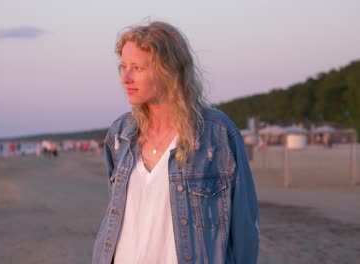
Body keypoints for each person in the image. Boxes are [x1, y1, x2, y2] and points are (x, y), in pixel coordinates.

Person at [92, 21, 259, 264]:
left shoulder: (217, 135)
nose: (125, 79)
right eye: (123, 67)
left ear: (168, 70)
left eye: (137, 68)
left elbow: (245, 229)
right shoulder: (121, 134)